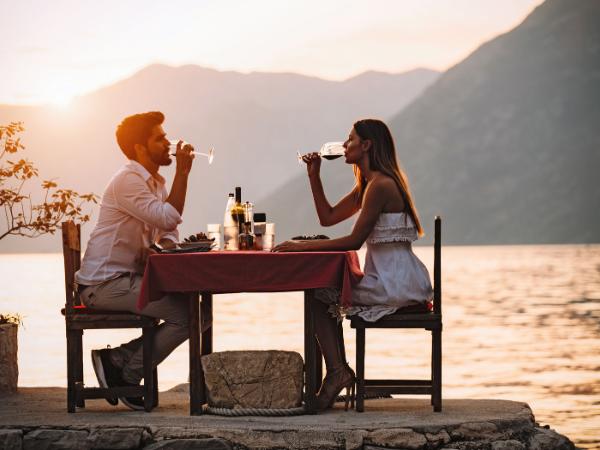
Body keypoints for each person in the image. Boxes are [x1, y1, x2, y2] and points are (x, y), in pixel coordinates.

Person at [273, 119, 433, 411]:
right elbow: (328, 217)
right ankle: (338, 371)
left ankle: (337, 373)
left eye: (350, 140)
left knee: (319, 294)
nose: (345, 146)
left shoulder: (381, 185)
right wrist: (313, 176)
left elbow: (353, 241)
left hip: (394, 283)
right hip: (392, 278)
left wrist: (301, 246)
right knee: (321, 292)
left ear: (367, 145)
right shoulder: (370, 185)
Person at [75, 111, 195, 410]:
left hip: (126, 280)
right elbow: (169, 216)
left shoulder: (153, 182)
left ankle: (116, 360)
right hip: (102, 285)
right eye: (160, 138)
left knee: (196, 311)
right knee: (189, 317)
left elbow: (170, 228)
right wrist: (183, 172)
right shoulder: (128, 180)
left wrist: (162, 246)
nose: (168, 142)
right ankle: (126, 372)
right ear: (140, 147)